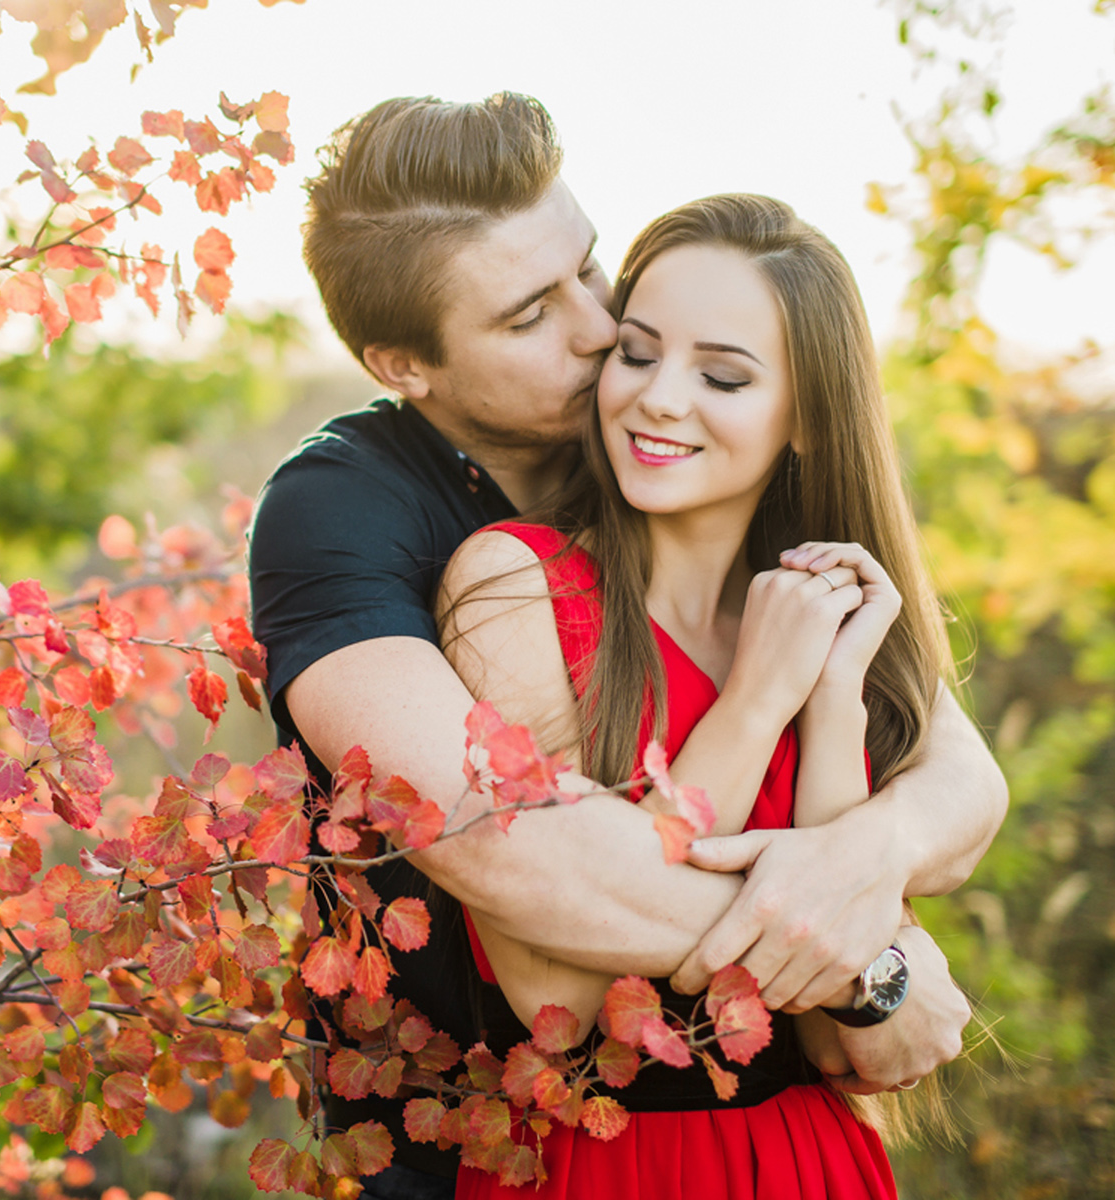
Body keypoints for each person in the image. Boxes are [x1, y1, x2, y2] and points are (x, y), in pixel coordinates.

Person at [247, 94, 1005, 1199]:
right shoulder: (346, 513)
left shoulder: (693, 472)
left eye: (591, 271)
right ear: (404, 365)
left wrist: (868, 866)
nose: (603, 333)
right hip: (468, 1144)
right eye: (528, 317)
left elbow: (959, 785)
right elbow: (528, 863)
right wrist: (863, 965)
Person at [439, 193, 947, 1198]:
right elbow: (563, 997)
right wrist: (755, 703)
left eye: (720, 375)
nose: (660, 399)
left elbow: (840, 1045)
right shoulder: (514, 586)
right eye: (636, 352)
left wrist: (834, 689)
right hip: (600, 1164)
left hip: (809, 1162)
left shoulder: (811, 620)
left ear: (805, 416)